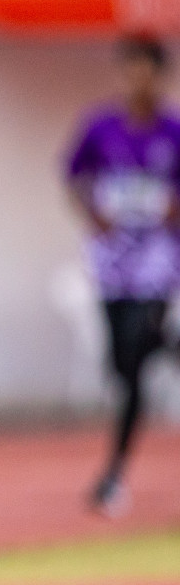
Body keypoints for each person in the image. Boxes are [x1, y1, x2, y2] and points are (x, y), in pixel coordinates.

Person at [65, 36, 180, 517]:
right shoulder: (100, 126)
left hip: (157, 257)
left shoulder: (172, 131)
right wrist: (92, 213)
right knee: (122, 367)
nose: (139, 78)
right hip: (111, 261)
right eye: (131, 68)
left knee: (136, 341)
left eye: (147, 69)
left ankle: (111, 474)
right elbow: (73, 175)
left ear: (160, 74)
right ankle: (167, 347)